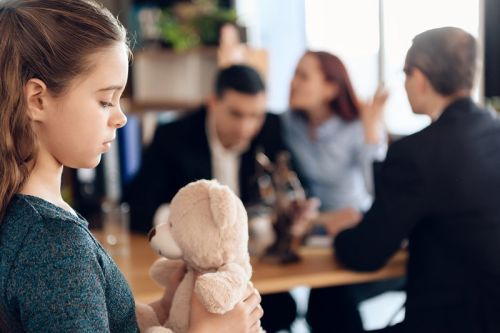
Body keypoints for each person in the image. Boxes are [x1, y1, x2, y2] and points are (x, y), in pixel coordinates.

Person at [0, 1, 262, 332]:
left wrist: (165, 312)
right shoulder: (56, 245)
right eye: (105, 100)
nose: (120, 117)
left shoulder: (28, 217)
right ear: (37, 99)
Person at [335, 27, 500, 333]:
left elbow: (366, 254)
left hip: (450, 321)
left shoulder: (416, 153)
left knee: (332, 307)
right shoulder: (493, 130)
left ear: (420, 78)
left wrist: (339, 232)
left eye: (404, 74)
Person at [260, 51, 403, 333]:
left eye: (304, 76)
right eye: (294, 74)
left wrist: (372, 133)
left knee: (329, 307)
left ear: (331, 88)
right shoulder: (289, 124)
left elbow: (378, 190)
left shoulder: (356, 126)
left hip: (349, 226)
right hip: (308, 228)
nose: (293, 83)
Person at [123, 64, 290, 233]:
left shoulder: (271, 128)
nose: (245, 127)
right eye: (236, 114)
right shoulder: (172, 136)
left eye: (256, 115)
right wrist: (185, 220)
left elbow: (290, 189)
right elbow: (138, 207)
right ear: (212, 102)